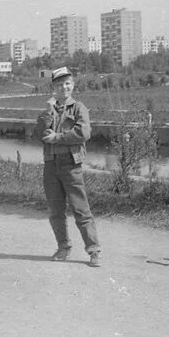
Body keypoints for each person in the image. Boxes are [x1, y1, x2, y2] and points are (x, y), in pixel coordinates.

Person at [34, 67, 101, 267]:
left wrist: (57, 138)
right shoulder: (49, 110)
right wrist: (48, 113)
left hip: (71, 165)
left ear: (73, 85)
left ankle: (94, 250)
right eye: (59, 84)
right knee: (55, 211)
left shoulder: (79, 108)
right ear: (53, 87)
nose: (64, 87)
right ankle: (63, 247)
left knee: (81, 209)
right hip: (51, 165)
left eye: (67, 83)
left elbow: (83, 133)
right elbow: (38, 134)